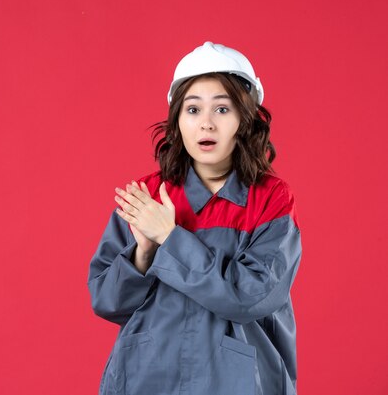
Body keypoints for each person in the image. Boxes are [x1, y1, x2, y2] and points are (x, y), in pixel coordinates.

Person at [87, 41, 301, 395]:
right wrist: (142, 254)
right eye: (192, 109)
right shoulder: (147, 195)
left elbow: (251, 297)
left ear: (244, 120)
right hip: (148, 377)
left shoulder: (271, 199)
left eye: (222, 109)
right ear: (177, 120)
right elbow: (106, 301)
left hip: (239, 382)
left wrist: (170, 239)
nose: (206, 124)